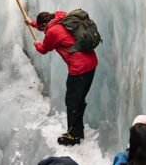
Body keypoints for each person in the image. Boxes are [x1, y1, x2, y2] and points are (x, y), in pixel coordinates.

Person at [33, 10, 98, 145]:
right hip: (91, 63)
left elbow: (44, 49)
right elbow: (45, 26)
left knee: (72, 102)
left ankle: (73, 136)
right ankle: (78, 130)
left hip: (79, 69)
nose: (43, 31)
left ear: (45, 25)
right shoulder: (61, 16)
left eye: (42, 28)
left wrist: (37, 44)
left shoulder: (52, 32)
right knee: (79, 99)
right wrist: (32, 23)